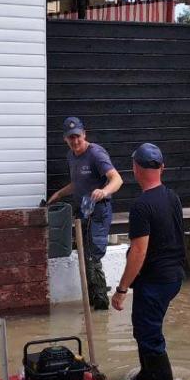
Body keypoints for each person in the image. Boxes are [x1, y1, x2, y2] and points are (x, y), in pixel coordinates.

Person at [110, 143, 185, 380]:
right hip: (174, 276)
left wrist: (121, 289)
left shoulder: (141, 206)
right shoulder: (172, 196)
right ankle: (146, 372)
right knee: (142, 327)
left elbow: (138, 252)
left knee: (150, 336)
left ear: (136, 169)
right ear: (162, 168)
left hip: (156, 280)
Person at [47, 116, 123, 310]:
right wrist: (59, 194)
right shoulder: (71, 156)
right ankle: (91, 302)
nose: (75, 141)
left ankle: (101, 306)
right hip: (83, 209)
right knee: (84, 253)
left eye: (78, 136)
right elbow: (78, 183)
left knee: (92, 256)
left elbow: (117, 179)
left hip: (99, 210)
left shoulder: (96, 154)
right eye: (71, 137)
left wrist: (104, 191)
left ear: (84, 134)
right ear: (65, 139)